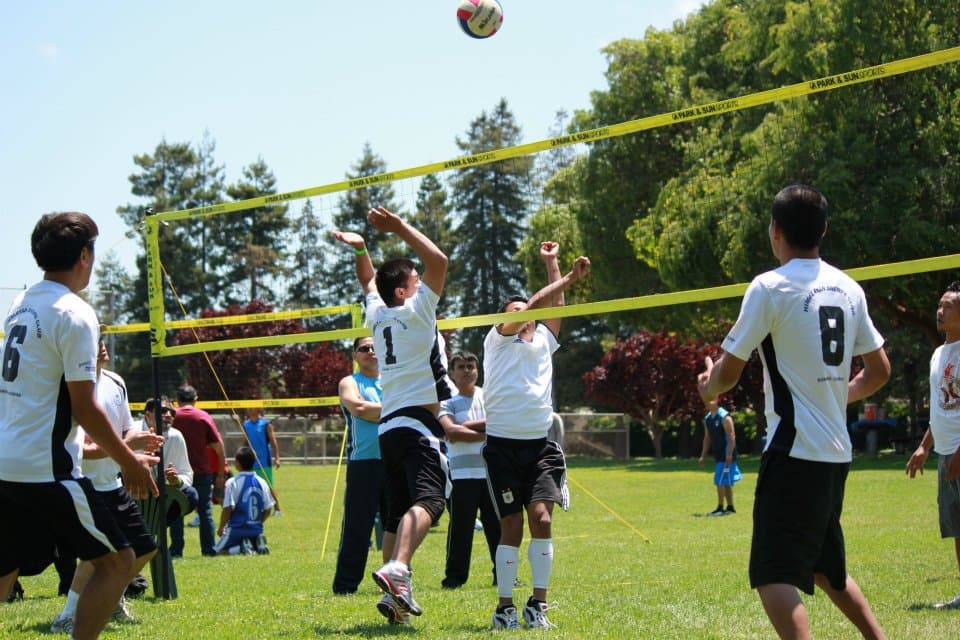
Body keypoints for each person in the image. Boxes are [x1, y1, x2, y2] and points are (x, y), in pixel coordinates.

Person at [696, 184, 890, 640]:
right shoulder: (849, 288)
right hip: (835, 454)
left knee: (772, 573)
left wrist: (708, 386)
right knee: (827, 568)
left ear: (775, 231)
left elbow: (728, 373)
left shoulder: (769, 287)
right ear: (824, 230)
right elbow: (880, 371)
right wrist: (834, 396)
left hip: (793, 451)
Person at [0, 212, 158, 640]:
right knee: (119, 561)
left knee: (5, 571)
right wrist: (129, 461)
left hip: (7, 461)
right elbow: (84, 408)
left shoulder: (21, 303)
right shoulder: (75, 313)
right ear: (84, 256)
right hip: (45, 467)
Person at [333, 206, 450, 623]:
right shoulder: (417, 311)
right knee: (431, 501)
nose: (422, 282)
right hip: (418, 423)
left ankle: (394, 599)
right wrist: (398, 227)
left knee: (398, 515)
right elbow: (439, 260)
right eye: (415, 281)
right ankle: (398, 570)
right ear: (402, 291)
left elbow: (369, 281)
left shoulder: (377, 314)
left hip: (389, 428)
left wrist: (361, 248)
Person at [483, 242, 591, 630]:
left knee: (542, 519)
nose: (523, 316)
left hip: (541, 446)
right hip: (502, 447)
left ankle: (537, 605)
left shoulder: (544, 340)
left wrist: (552, 263)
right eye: (514, 313)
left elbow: (554, 308)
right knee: (512, 525)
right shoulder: (497, 339)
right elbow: (533, 306)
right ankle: (505, 608)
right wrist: (570, 277)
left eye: (525, 314)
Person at [51, 336, 164, 632]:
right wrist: (129, 449)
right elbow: (82, 450)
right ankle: (67, 615)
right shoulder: (73, 384)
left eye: (102, 339)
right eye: (94, 339)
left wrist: (137, 455)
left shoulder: (116, 382)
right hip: (82, 480)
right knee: (101, 554)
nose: (101, 344)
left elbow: (127, 431)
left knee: (145, 547)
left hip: (111, 482)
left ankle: (110, 599)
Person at [906, 280, 960, 610]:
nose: (940, 311)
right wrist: (925, 446)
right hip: (945, 451)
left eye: (948, 306)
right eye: (939, 305)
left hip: (958, 451)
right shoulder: (939, 354)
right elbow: (940, 407)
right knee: (957, 527)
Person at [332, 336, 390, 596]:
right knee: (357, 527)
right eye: (364, 348)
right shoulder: (349, 382)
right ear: (355, 355)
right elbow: (358, 408)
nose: (371, 352)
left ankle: (394, 581)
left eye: (375, 347)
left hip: (393, 462)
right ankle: (346, 586)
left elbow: (372, 410)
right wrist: (392, 411)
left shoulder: (392, 380)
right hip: (363, 464)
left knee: (395, 526)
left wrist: (375, 411)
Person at [438, 350, 500, 589]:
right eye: (461, 367)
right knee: (460, 529)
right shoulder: (447, 402)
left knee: (498, 528)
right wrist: (487, 434)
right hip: (461, 477)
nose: (467, 371)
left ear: (478, 370)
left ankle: (504, 575)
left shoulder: (490, 397)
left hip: (492, 475)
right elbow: (451, 432)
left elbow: (500, 423)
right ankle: (454, 578)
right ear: (452, 373)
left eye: (471, 366)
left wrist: (465, 426)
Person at [172, 384, 225, 557]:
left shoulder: (171, 416)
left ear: (177, 400)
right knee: (205, 512)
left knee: (176, 512)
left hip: (177, 472)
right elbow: (218, 447)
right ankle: (208, 550)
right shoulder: (203, 416)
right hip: (201, 471)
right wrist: (221, 473)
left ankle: (176, 550)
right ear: (196, 399)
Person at [143, 396, 198, 557]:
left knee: (191, 495)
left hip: (162, 494)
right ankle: (147, 534)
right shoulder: (133, 432)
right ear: (148, 415)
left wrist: (177, 480)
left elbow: (186, 473)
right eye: (162, 411)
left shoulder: (176, 436)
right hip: (135, 491)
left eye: (172, 412)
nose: (168, 415)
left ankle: (154, 530)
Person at [213, 447, 274, 555]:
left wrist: (221, 527)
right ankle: (256, 543)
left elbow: (228, 508)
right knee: (250, 543)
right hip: (256, 530)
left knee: (215, 552)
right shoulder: (262, 482)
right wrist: (258, 523)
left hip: (237, 530)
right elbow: (268, 509)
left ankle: (240, 548)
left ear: (237, 463)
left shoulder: (232, 482)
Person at [698, 397, 742, 516]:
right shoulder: (708, 419)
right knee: (725, 481)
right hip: (718, 455)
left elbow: (731, 436)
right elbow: (707, 438)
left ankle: (720, 508)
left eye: (709, 400)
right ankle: (730, 508)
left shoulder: (724, 417)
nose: (706, 403)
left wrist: (729, 454)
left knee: (719, 480)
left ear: (716, 401)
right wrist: (703, 455)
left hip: (726, 455)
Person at [241, 406, 283, 515]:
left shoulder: (266, 424)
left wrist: (277, 458)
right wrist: (242, 457)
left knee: (268, 485)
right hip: (251, 460)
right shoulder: (246, 425)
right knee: (250, 485)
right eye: (249, 407)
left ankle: (277, 509)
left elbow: (273, 441)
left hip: (264, 460)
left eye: (252, 407)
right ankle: (254, 508)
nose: (250, 409)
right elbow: (245, 443)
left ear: (259, 409)